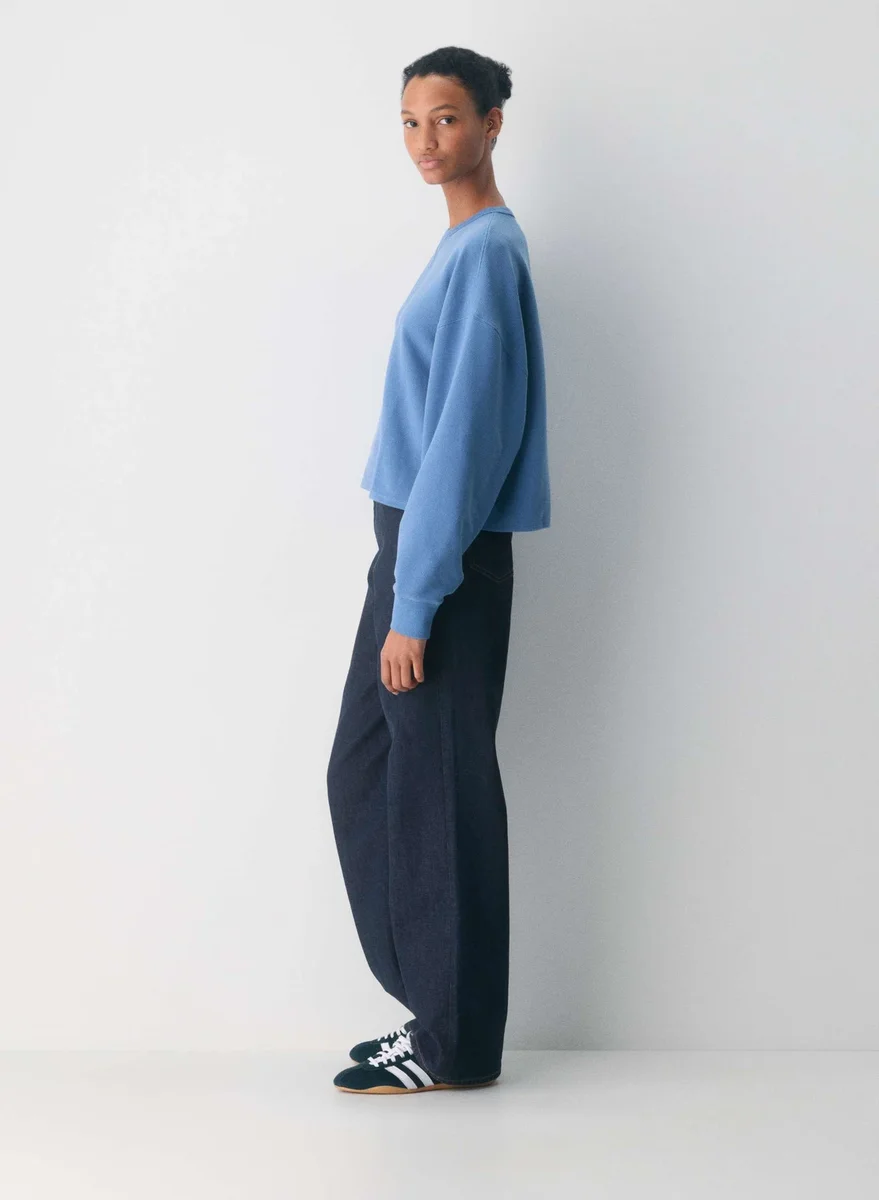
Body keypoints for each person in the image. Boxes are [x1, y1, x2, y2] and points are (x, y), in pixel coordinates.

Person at [326, 45, 551, 1095]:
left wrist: (417, 602)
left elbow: (463, 443)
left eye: (449, 118)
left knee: (438, 795)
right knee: (368, 771)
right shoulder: (463, 246)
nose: (427, 141)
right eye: (412, 122)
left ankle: (451, 1044)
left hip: (442, 561)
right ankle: (436, 1014)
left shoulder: (487, 253)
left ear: (493, 124)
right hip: (412, 549)